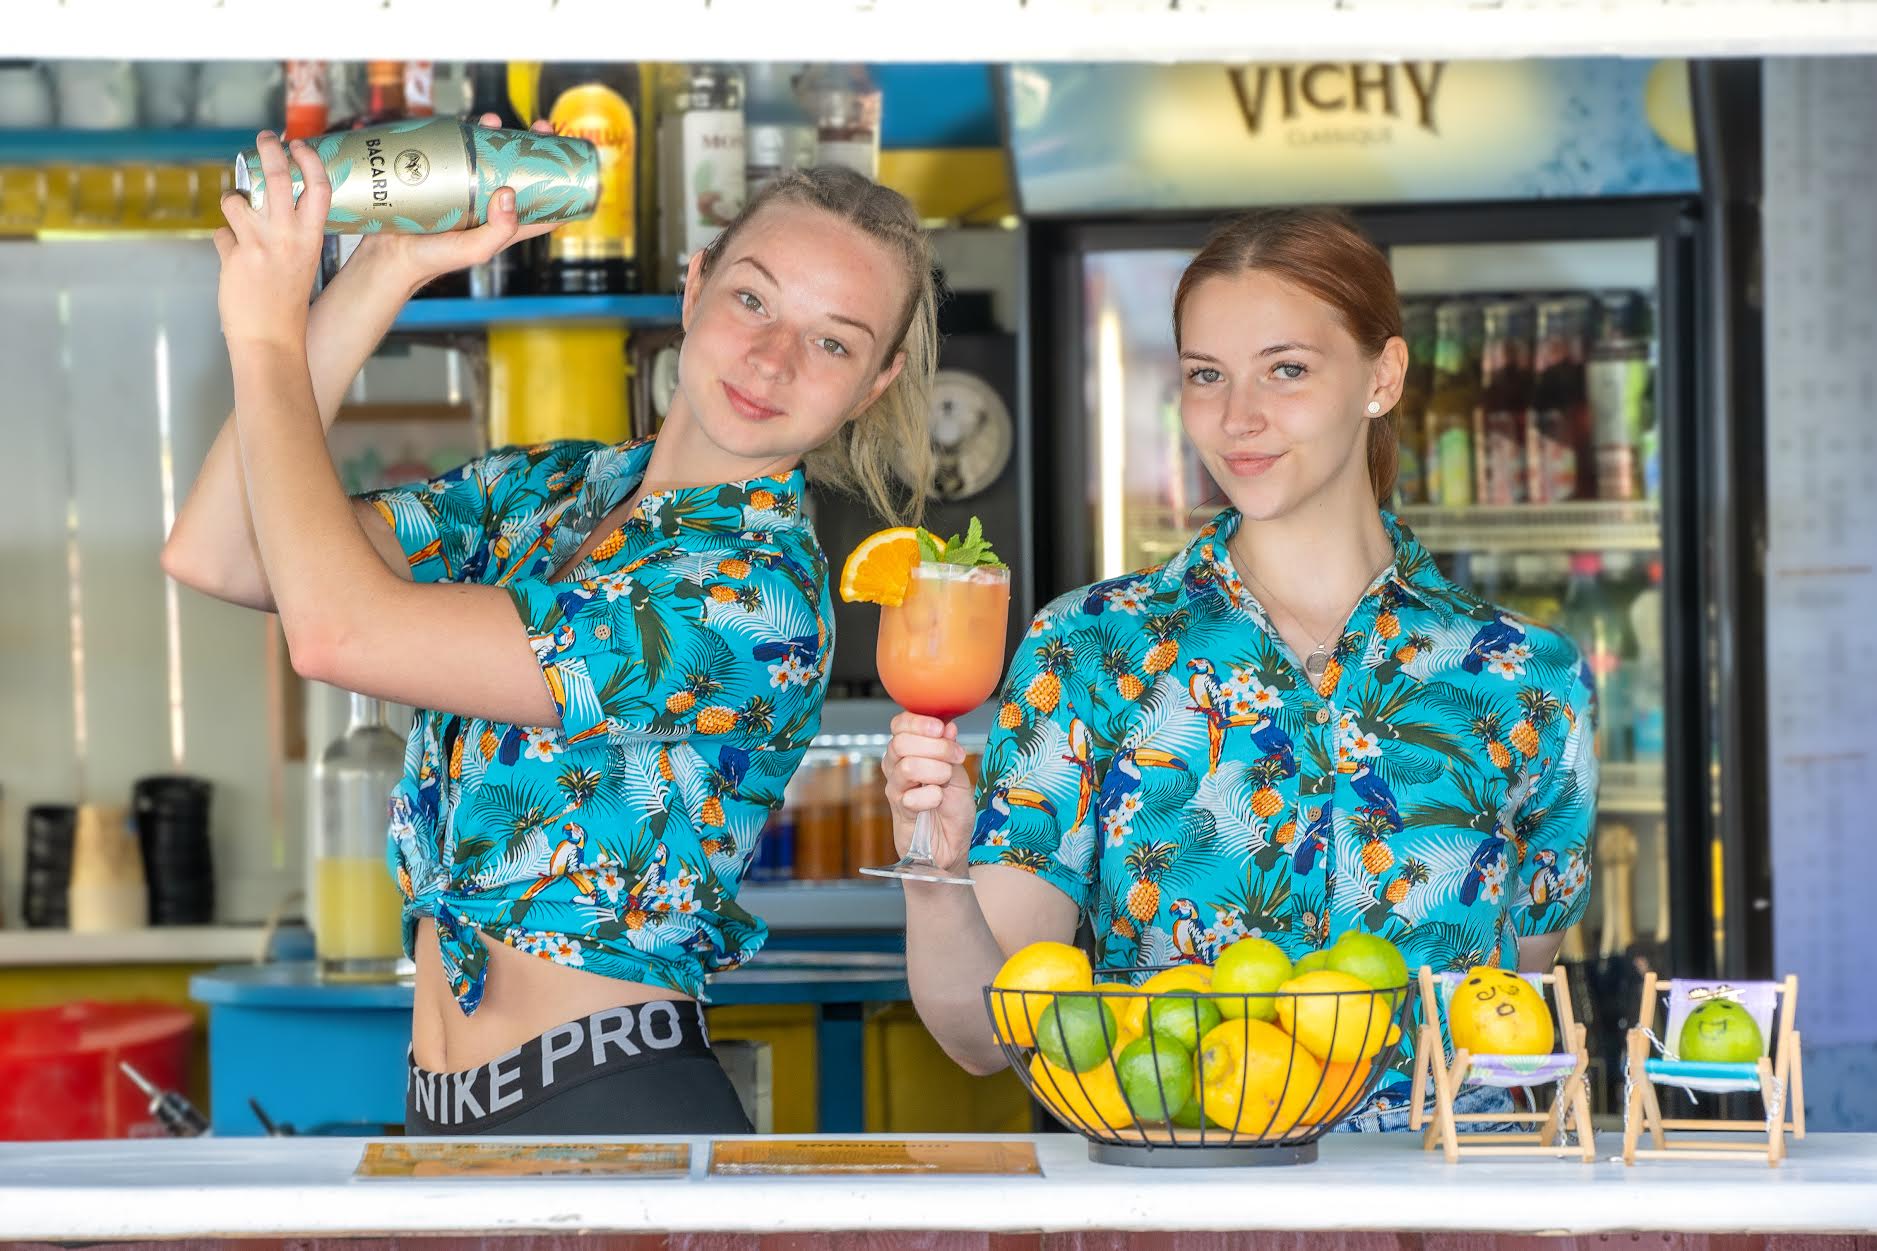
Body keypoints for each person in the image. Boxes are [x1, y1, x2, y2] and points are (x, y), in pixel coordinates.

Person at [163, 119, 937, 1135]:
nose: (772, 356)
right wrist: (384, 271)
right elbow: (221, 552)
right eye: (750, 297)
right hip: (445, 1110)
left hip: (612, 1108)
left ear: (871, 383)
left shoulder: (755, 597)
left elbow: (338, 637)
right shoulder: (553, 490)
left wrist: (267, 338)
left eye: (832, 341)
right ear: (694, 285)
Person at [882, 208, 1597, 1130]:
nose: (1236, 418)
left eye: (1285, 369)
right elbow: (989, 1036)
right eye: (1205, 376)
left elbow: (1507, 1016)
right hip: (1178, 1197)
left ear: (1381, 376)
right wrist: (932, 873)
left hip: (1447, 1202)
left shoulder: (1527, 677)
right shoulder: (1093, 648)